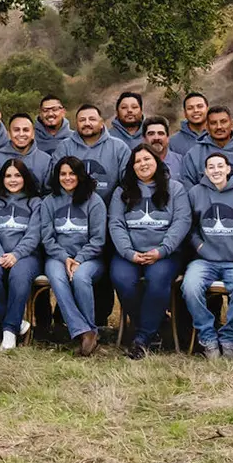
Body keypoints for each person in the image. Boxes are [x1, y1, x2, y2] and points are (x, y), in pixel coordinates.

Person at [109, 145, 192, 358]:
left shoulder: (175, 189)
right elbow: (116, 224)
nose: (143, 164)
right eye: (137, 161)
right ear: (132, 166)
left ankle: (142, 338)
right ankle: (155, 324)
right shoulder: (122, 191)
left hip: (165, 254)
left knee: (157, 282)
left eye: (147, 159)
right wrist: (129, 253)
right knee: (123, 281)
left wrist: (162, 250)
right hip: (129, 254)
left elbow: (182, 221)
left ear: (157, 162)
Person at [0, 159, 47, 351]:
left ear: (25, 178)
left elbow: (34, 233)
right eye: (8, 176)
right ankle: (17, 322)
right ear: (1, 178)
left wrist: (16, 254)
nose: (13, 180)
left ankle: (8, 332)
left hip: (27, 256)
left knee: (19, 276)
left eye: (17, 175)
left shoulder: (36, 202)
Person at [41, 156, 108, 356]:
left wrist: (78, 259)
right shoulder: (49, 202)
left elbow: (98, 239)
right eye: (63, 174)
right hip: (58, 257)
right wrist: (64, 258)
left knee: (80, 277)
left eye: (72, 173)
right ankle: (85, 331)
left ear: (80, 175)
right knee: (57, 277)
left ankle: (88, 331)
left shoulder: (94, 201)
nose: (67, 178)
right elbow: (47, 238)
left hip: (89, 258)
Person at [54, 104, 132, 199]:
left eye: (92, 119)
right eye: (82, 120)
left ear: (101, 123)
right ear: (76, 124)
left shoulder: (119, 147)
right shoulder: (64, 147)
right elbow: (57, 181)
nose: (87, 123)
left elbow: (127, 183)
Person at [0, 114, 54, 199]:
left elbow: (49, 195)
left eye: (26, 130)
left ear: (33, 133)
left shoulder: (45, 161)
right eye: (16, 130)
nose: (21, 134)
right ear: (9, 134)